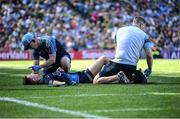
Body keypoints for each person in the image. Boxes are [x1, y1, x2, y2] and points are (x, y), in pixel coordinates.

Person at [93, 16, 154, 84]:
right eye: (144, 27)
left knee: (96, 80)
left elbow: (117, 49)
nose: (144, 28)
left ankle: (117, 77)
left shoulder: (119, 30)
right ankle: (125, 77)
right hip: (132, 67)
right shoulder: (144, 35)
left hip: (117, 64)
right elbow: (149, 56)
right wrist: (149, 69)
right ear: (141, 24)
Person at [23, 56, 147, 86]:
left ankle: (121, 71)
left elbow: (58, 76)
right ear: (33, 81)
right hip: (84, 77)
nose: (33, 75)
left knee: (104, 59)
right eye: (32, 77)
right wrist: (64, 83)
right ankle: (118, 75)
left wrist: (61, 71)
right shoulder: (44, 80)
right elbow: (54, 83)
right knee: (103, 60)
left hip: (82, 74)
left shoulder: (45, 75)